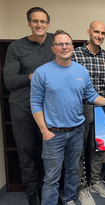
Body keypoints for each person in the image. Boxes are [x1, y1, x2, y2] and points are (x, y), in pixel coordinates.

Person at [30, 30, 105, 205]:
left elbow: (93, 96)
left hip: (76, 131)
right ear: (53, 48)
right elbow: (35, 103)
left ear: (72, 47)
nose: (64, 47)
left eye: (67, 43)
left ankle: (70, 199)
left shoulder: (81, 71)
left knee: (73, 171)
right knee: (51, 177)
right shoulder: (42, 72)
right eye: (60, 44)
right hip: (53, 133)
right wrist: (44, 131)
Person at [3, 7, 54, 205]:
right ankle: (33, 190)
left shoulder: (55, 42)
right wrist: (34, 76)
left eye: (42, 21)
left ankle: (48, 189)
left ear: (48, 23)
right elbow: (9, 82)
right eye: (35, 21)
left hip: (49, 107)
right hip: (22, 106)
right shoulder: (16, 47)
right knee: (27, 150)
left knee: (50, 150)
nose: (39, 25)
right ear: (29, 24)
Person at [72, 21, 105, 205]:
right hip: (80, 109)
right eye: (96, 32)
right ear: (88, 32)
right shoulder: (75, 54)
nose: (99, 35)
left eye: (103, 33)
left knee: (99, 148)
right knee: (79, 150)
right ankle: (82, 187)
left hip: (103, 108)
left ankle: (96, 182)